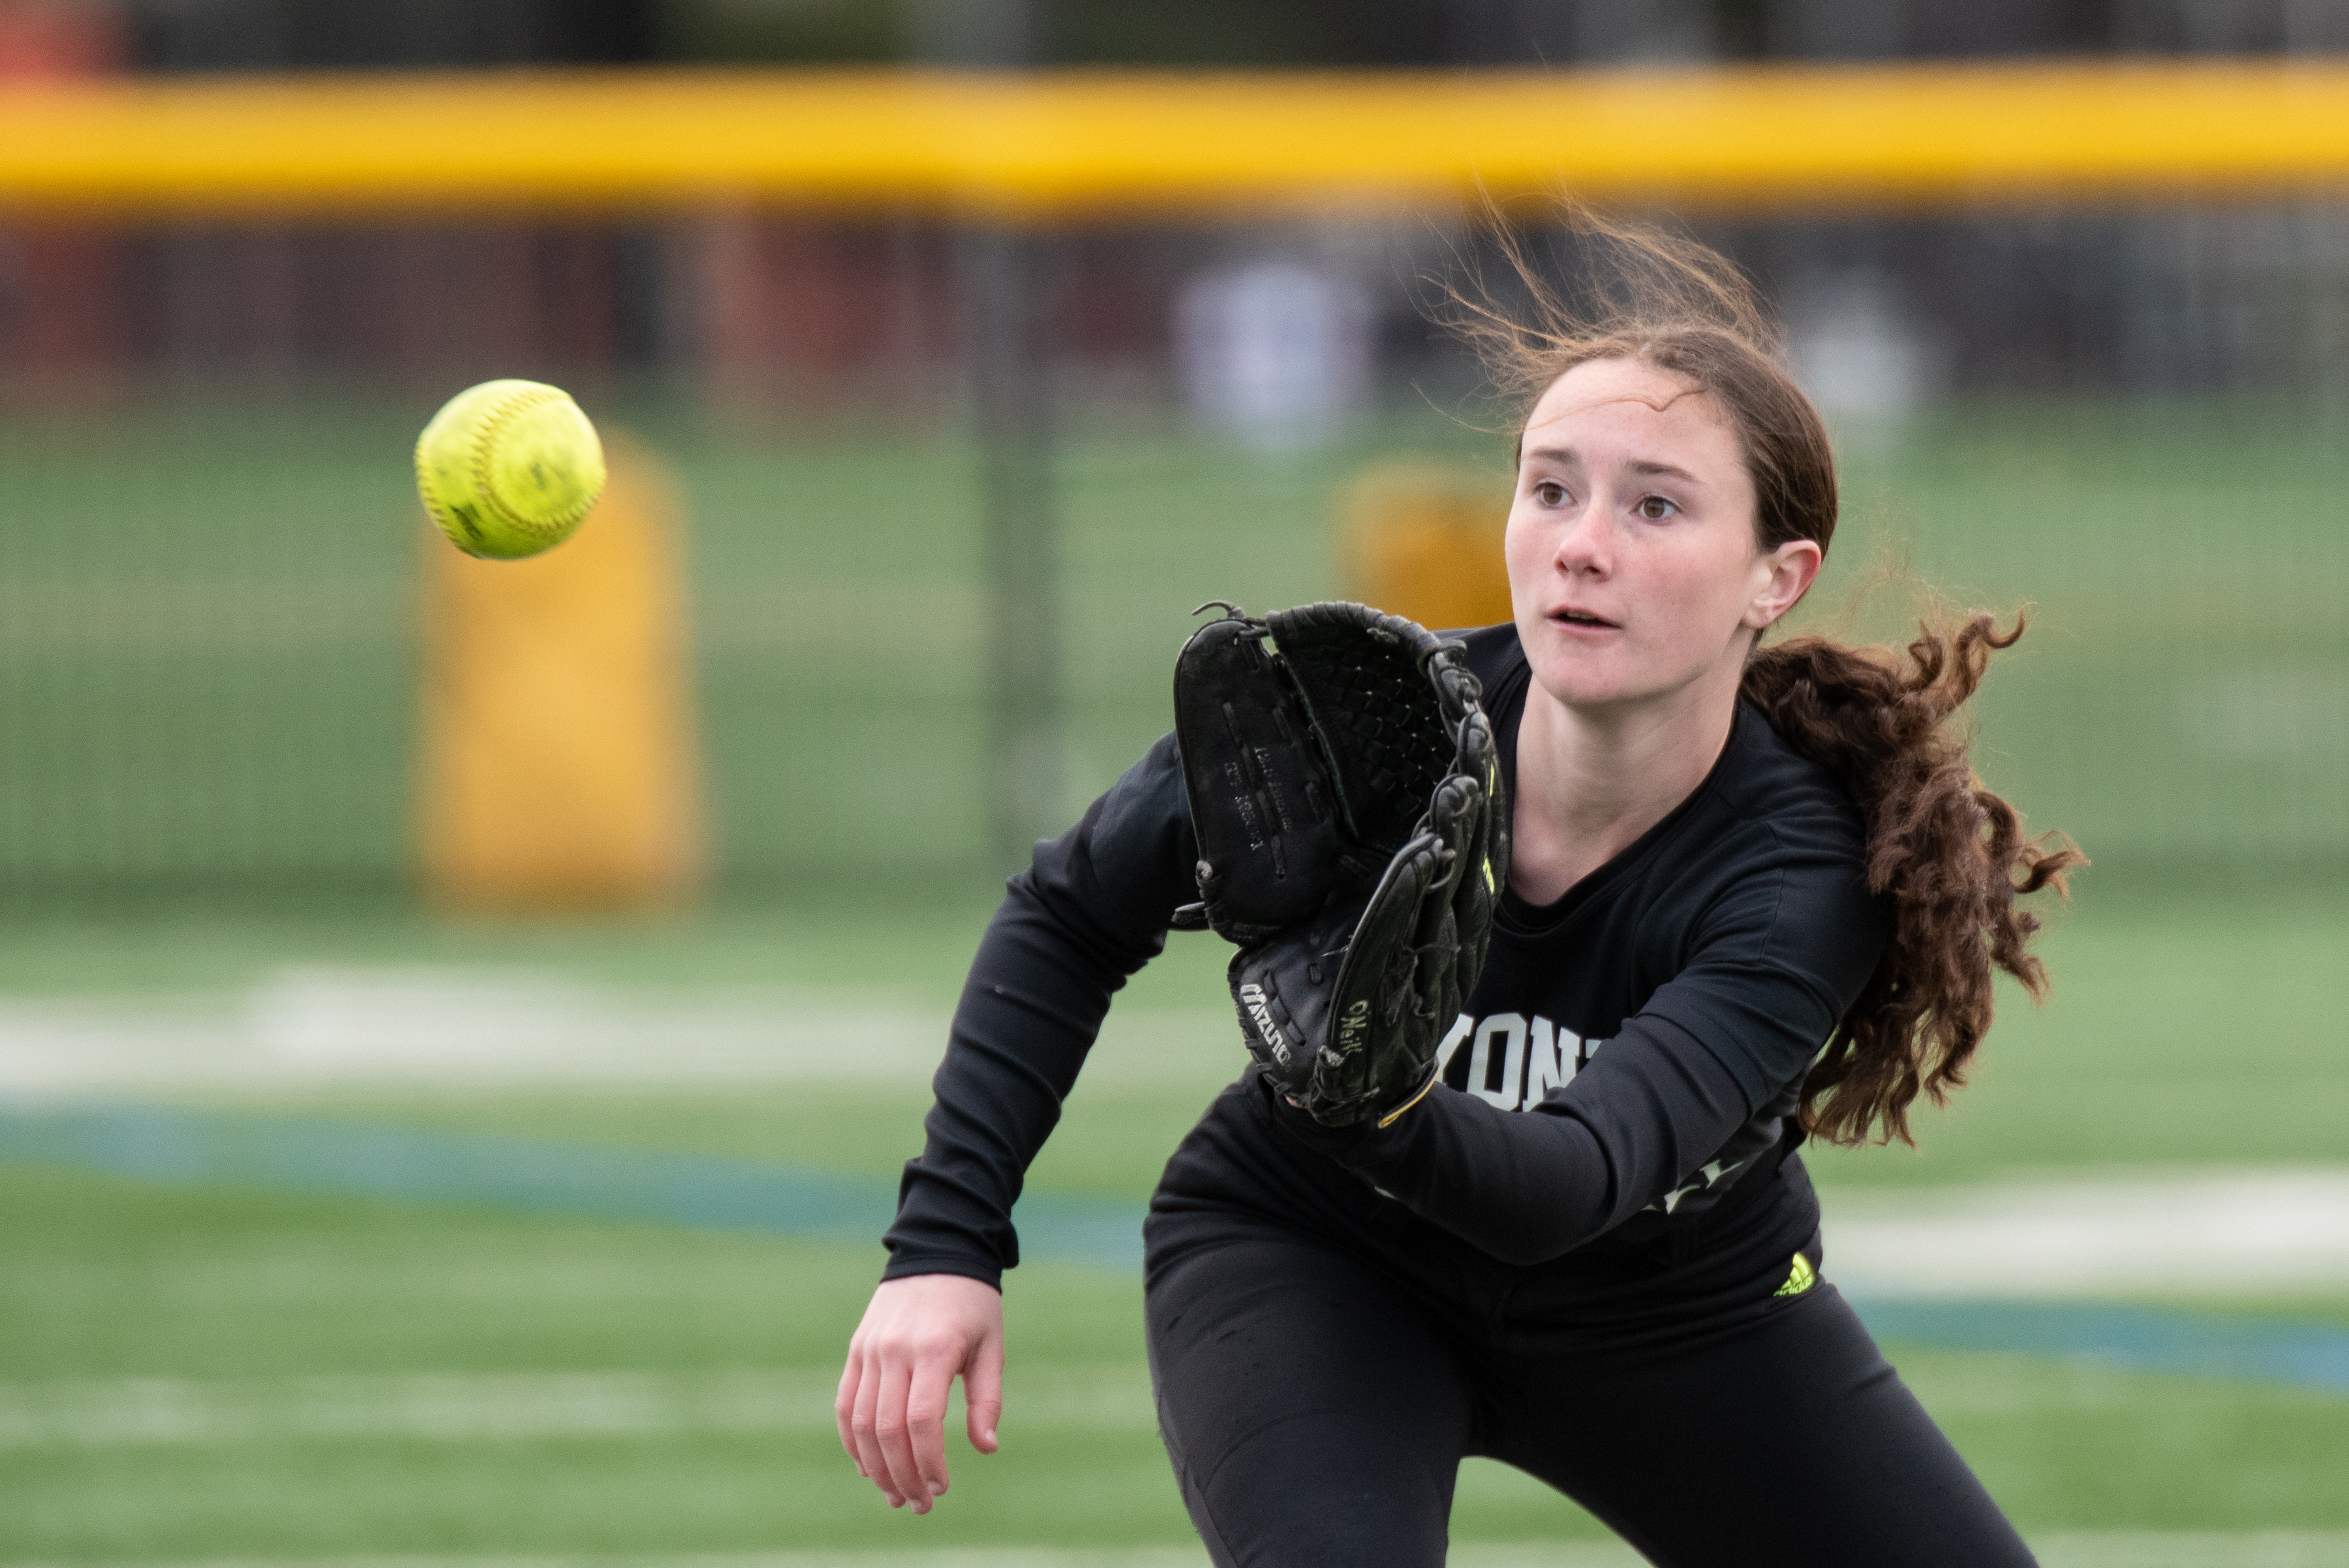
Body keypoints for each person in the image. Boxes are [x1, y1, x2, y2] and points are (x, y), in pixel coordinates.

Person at [835, 211, 2083, 1567]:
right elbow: (1071, 910)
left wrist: (1367, 1091)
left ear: (1774, 580)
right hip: (1321, 1262)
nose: (1581, 543)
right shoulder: (1369, 733)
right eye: (1550, 488)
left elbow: (1571, 1181)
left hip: (1683, 1310)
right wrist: (943, 1247)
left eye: (1654, 503)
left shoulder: (1798, 870)